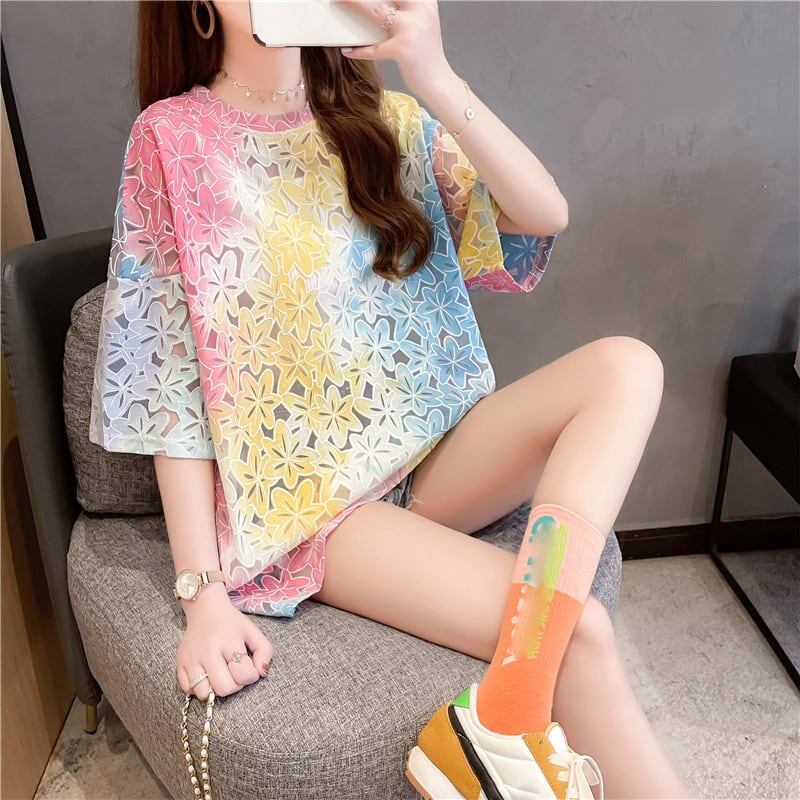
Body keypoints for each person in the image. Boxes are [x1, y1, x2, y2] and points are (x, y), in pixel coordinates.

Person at [89, 1, 690, 797]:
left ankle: (501, 716)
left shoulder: (385, 118)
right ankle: (510, 714)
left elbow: (543, 214)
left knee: (627, 366)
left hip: (434, 458)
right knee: (579, 634)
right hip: (319, 509)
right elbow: (174, 387)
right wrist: (202, 595)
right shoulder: (171, 140)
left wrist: (432, 74)